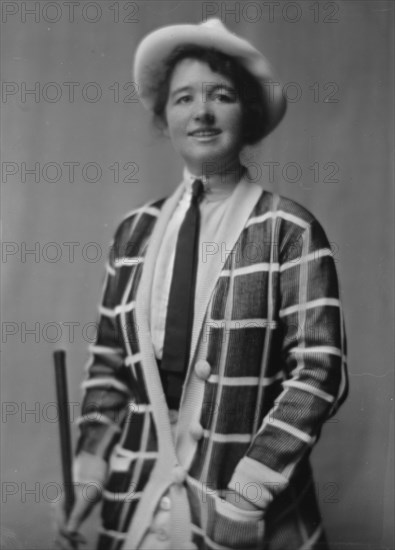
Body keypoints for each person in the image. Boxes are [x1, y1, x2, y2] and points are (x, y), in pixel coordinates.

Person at [54, 19, 348, 550]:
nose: (202, 112)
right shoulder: (134, 232)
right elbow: (109, 367)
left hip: (243, 507)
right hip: (141, 499)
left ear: (249, 115)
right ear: (164, 120)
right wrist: (88, 472)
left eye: (222, 96)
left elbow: (320, 372)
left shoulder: (290, 231)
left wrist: (249, 493)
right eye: (184, 98)